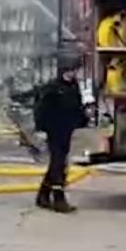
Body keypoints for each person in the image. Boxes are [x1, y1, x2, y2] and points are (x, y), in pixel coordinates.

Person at [33, 52, 88, 213]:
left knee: (57, 164)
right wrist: (40, 129)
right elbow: (41, 110)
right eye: (72, 70)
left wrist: (84, 119)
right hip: (53, 131)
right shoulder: (52, 88)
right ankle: (59, 199)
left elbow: (76, 107)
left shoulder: (73, 87)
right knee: (58, 165)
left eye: (76, 70)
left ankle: (42, 196)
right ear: (64, 70)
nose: (74, 73)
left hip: (67, 131)